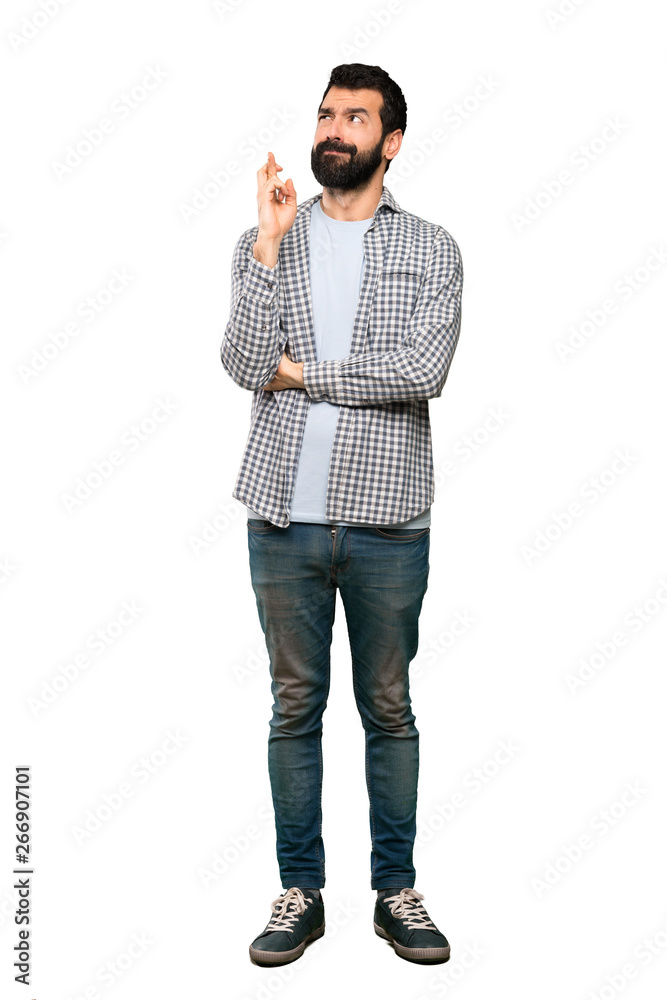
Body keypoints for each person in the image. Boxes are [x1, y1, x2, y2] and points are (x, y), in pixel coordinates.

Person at [220, 62, 463, 966]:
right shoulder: (269, 241)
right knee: (294, 708)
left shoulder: (431, 247)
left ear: (389, 141)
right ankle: (301, 893)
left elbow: (421, 371)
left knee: (387, 708)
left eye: (355, 117)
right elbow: (246, 364)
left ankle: (395, 892)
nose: (333, 129)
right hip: (281, 517)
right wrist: (266, 242)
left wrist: (304, 375)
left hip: (387, 522)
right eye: (326, 113)